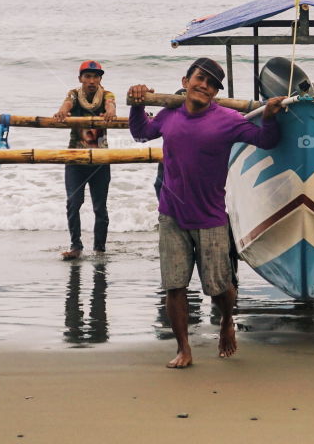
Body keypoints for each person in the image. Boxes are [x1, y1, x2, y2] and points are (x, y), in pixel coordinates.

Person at [127, 56, 284, 368]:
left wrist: (269, 116)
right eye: (200, 79)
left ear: (215, 92)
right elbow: (142, 133)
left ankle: (227, 321)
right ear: (186, 82)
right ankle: (183, 348)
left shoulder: (227, 119)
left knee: (218, 287)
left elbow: (265, 140)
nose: (205, 86)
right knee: (175, 284)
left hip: (211, 216)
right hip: (171, 212)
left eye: (212, 84)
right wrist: (135, 104)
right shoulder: (170, 113)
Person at [53, 60, 117, 260]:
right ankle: (76, 246)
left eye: (95, 76)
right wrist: (63, 111)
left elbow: (111, 105)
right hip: (75, 159)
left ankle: (100, 249)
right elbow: (67, 103)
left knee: (100, 207)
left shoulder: (107, 95)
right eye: (87, 76)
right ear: (80, 78)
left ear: (100, 79)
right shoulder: (73, 94)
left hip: (99, 159)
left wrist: (111, 112)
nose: (91, 80)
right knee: (73, 203)